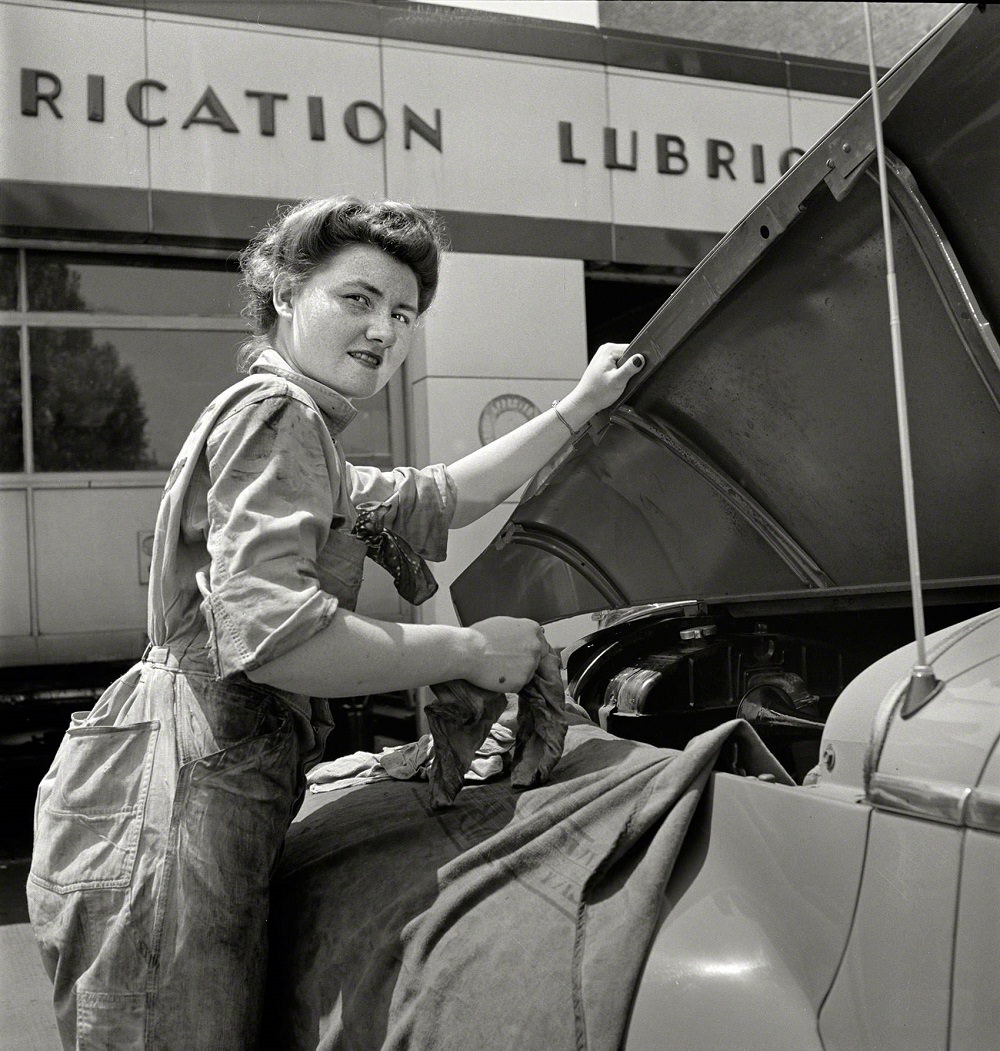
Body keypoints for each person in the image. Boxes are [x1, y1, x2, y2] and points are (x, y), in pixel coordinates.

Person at [26, 194, 645, 1049]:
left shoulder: (307, 441)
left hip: (173, 791)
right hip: (172, 815)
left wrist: (578, 406)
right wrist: (468, 647)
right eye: (356, 299)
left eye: (403, 312)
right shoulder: (279, 418)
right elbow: (279, 641)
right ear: (284, 293)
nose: (385, 331)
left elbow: (444, 495)